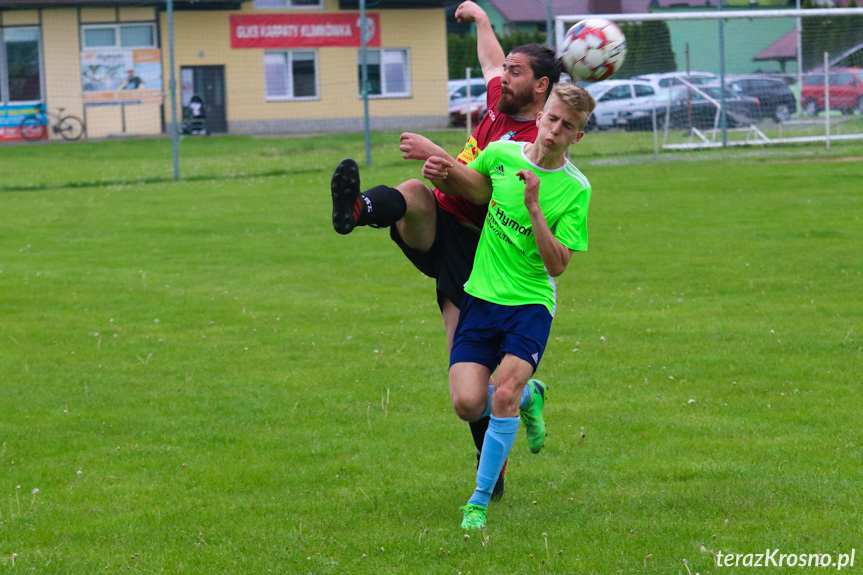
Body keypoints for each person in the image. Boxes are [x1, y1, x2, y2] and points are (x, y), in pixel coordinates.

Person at [329, 0, 563, 499]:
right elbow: (488, 61)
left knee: (469, 391)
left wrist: (438, 154)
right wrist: (482, 21)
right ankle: (356, 211)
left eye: (515, 72)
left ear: (539, 87)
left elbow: (480, 191)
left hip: (483, 251)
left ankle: (496, 455)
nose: (503, 76)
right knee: (414, 193)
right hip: (443, 222)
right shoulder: (504, 100)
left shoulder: (533, 141)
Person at [421, 82, 596, 529]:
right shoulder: (502, 153)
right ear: (540, 117)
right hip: (480, 297)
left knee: (501, 394)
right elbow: (476, 188)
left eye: (568, 127)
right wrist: (442, 171)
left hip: (530, 305)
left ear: (578, 137)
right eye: (552, 119)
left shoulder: (576, 190)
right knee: (465, 403)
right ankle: (529, 397)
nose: (555, 130)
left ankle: (477, 501)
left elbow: (557, 265)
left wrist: (534, 207)